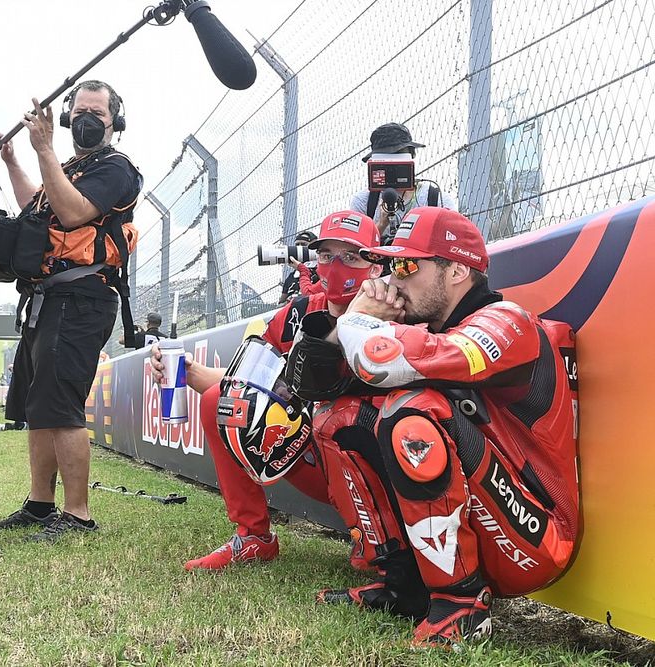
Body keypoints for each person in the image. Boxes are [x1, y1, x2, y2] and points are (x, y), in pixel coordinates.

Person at [310, 207, 579, 648]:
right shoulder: (423, 324)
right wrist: (352, 325)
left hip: (538, 537)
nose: (393, 280)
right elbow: (311, 383)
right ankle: (404, 586)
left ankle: (462, 606)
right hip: (489, 517)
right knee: (336, 419)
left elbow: (384, 359)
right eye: (391, 264)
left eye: (407, 265)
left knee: (409, 411)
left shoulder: (507, 321)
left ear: (457, 270)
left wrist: (357, 318)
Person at [149, 211, 383, 570]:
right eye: (326, 256)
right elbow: (245, 382)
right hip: (316, 462)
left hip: (376, 467)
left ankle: (385, 542)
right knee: (221, 401)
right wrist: (186, 372)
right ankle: (254, 536)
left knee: (341, 416)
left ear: (376, 265)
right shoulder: (297, 313)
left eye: (350, 257)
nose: (335, 267)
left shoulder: (394, 312)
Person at [0, 80, 143, 540]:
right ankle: (40, 504)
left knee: (61, 405)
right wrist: (16, 159)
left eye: (99, 112)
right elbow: (37, 205)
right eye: (81, 110)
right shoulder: (72, 165)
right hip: (45, 297)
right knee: (39, 405)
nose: (88, 119)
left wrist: (44, 149)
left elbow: (73, 213)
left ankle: (77, 513)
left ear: (116, 122)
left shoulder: (116, 168)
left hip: (82, 297)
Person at [349, 123, 457, 245]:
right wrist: (381, 224)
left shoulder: (435, 198)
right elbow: (355, 250)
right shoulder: (364, 201)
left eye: (397, 155)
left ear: (411, 155)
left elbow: (452, 242)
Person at [278, 229, 318, 304]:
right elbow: (281, 302)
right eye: (297, 245)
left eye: (303, 244)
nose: (299, 248)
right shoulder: (292, 276)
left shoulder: (321, 271)